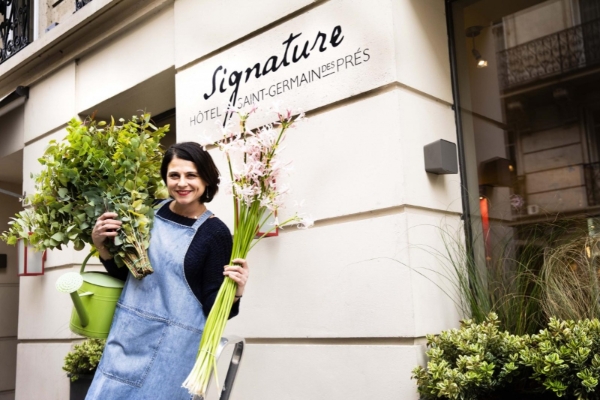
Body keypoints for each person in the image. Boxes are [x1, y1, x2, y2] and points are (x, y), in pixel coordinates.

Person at [85, 142, 249, 399]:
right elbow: (127, 276)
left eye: (191, 175)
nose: (182, 183)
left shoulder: (215, 234)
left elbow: (213, 308)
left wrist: (236, 292)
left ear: (206, 178)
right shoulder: (147, 213)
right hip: (127, 339)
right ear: (166, 178)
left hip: (173, 354)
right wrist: (101, 246)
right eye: (174, 175)